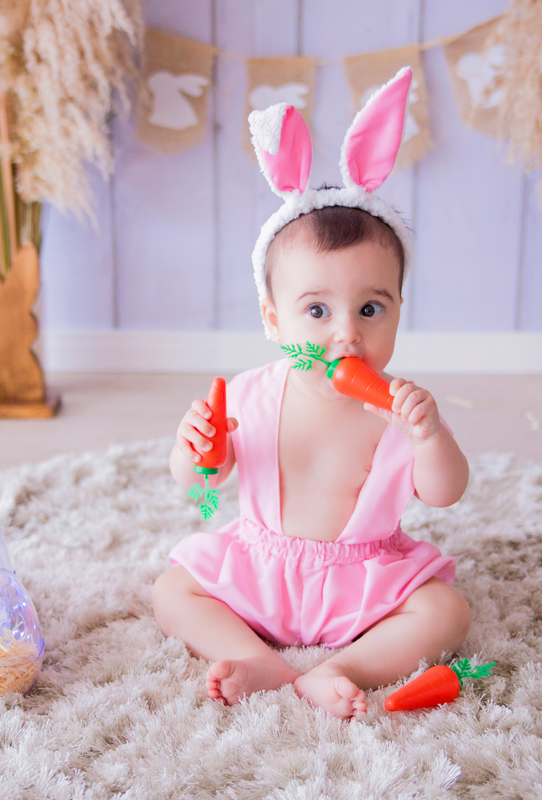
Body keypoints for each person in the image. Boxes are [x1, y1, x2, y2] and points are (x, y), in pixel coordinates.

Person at [151, 68, 471, 720]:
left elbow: (445, 491)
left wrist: (429, 436)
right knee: (172, 590)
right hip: (261, 571)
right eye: (317, 311)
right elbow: (200, 481)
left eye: (370, 309)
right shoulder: (250, 394)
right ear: (274, 320)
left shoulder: (398, 408)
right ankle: (257, 659)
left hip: (364, 579)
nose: (346, 334)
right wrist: (195, 449)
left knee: (446, 609)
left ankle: (343, 667)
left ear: (399, 309)